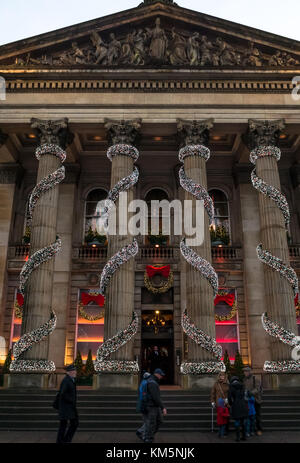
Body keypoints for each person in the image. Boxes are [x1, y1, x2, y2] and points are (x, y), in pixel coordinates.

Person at [55, 363, 78, 444]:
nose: (75, 372)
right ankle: (64, 440)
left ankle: (63, 440)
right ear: (68, 372)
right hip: (66, 407)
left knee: (66, 424)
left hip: (69, 407)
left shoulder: (71, 380)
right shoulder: (66, 380)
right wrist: (71, 400)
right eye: (73, 371)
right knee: (72, 424)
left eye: (75, 370)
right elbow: (62, 393)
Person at [143, 368, 167, 443]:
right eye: (161, 375)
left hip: (154, 406)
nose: (161, 377)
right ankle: (148, 438)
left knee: (158, 421)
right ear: (157, 374)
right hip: (151, 406)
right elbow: (155, 397)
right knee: (152, 423)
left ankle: (147, 435)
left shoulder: (153, 381)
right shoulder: (152, 383)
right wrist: (163, 407)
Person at [243, 366, 263, 435]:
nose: (244, 373)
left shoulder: (255, 379)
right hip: (248, 401)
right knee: (249, 416)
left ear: (249, 372)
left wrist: (250, 392)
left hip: (256, 400)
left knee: (257, 416)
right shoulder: (244, 380)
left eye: (246, 371)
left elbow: (258, 389)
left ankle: (259, 429)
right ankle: (250, 430)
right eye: (244, 371)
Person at [228, 376, 249, 442]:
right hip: (243, 405)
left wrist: (231, 404)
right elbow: (246, 395)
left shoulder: (231, 387)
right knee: (243, 422)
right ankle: (244, 436)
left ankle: (238, 437)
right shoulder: (242, 386)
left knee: (237, 422)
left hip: (236, 405)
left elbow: (229, 398)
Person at [136, 371, 151, 441]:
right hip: (144, 405)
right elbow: (144, 396)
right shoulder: (146, 384)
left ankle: (141, 431)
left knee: (146, 421)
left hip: (142, 404)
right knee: (147, 421)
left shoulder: (142, 383)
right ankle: (144, 435)